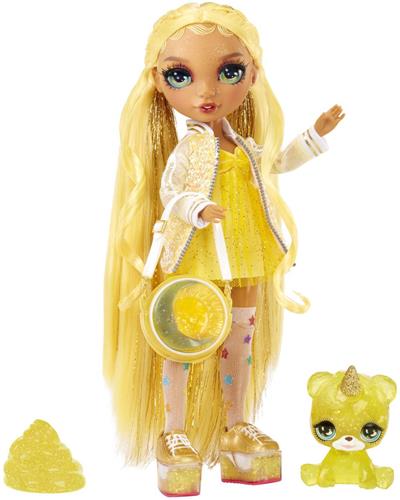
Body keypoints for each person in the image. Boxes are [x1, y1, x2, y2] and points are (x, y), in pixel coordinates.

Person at [103, 2, 345, 495]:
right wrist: (197, 208)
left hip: (246, 252)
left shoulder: (245, 145)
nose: (206, 92)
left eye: (229, 72)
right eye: (181, 76)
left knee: (241, 341)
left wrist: (315, 136)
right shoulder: (189, 147)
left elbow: (278, 163)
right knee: (182, 343)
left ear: (253, 74)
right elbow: (172, 191)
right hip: (196, 254)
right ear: (158, 81)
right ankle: (174, 433)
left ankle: (237, 425)